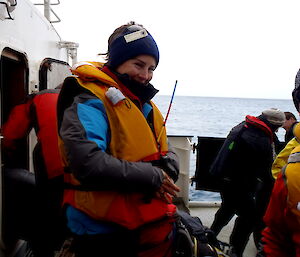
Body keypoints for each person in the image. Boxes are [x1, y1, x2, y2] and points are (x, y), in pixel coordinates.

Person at [57, 22, 180, 257]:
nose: (146, 75)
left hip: (140, 225)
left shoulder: (144, 105)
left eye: (152, 68)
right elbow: (86, 163)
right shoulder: (90, 100)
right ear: (117, 60)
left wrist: (169, 165)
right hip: (98, 231)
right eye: (139, 65)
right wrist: (154, 176)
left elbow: (165, 147)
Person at [209, 108, 285, 257]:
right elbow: (266, 171)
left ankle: (208, 237)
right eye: (278, 128)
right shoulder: (260, 138)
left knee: (227, 209)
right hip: (238, 183)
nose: (277, 131)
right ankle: (235, 251)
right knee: (249, 218)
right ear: (274, 125)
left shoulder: (245, 125)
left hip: (223, 177)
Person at [1, 88, 65, 257]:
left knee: (46, 210)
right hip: (87, 168)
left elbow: (11, 136)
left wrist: (8, 152)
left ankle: (43, 249)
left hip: (54, 168)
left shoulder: (36, 98)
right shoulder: (86, 97)